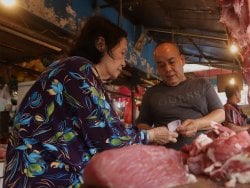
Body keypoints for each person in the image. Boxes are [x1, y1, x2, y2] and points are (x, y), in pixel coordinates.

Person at [3, 16, 177, 188]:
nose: (124, 63)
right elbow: (109, 138)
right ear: (101, 44)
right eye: (122, 53)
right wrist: (152, 135)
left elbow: (105, 128)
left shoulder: (77, 71)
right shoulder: (78, 69)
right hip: (41, 175)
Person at [136, 42, 225, 150]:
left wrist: (197, 124)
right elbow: (141, 124)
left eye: (171, 62)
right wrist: (155, 135)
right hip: (166, 157)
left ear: (182, 60)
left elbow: (220, 114)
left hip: (203, 153)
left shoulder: (202, 84)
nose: (167, 69)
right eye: (161, 65)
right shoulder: (151, 94)